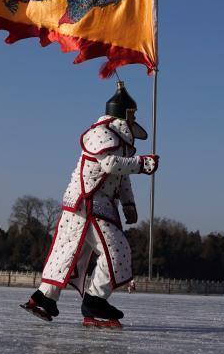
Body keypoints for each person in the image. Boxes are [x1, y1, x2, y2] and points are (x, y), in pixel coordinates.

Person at [21, 81, 159, 328]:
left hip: (90, 204)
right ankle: (94, 300)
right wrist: (142, 163)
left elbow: (120, 175)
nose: (135, 117)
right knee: (116, 251)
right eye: (133, 113)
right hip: (90, 203)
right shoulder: (101, 133)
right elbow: (110, 165)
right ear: (125, 113)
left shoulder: (119, 140)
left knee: (71, 253)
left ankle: (44, 298)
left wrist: (129, 203)